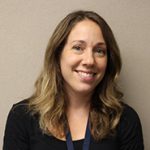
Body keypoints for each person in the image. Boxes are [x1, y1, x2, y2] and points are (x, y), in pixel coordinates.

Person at [3, 10, 144, 150]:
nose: (89, 61)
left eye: (99, 51)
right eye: (78, 48)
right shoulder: (22, 117)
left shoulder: (125, 120)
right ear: (58, 54)